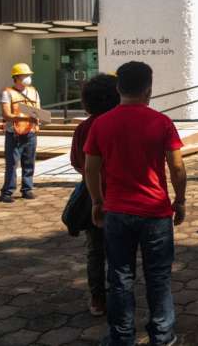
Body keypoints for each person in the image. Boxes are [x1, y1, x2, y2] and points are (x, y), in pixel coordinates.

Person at [84, 61, 186, 346]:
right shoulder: (162, 122)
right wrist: (180, 200)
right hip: (155, 212)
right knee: (158, 277)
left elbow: (91, 169)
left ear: (119, 88)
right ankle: (162, 336)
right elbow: (177, 168)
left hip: (116, 211)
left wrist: (96, 201)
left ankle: (121, 336)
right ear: (149, 89)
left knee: (119, 277)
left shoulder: (101, 124)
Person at [70, 74, 121, 317]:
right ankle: (120, 294)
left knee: (95, 251)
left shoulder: (82, 128)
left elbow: (77, 162)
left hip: (93, 197)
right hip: (120, 197)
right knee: (120, 250)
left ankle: (97, 298)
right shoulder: (118, 124)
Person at [0, 63, 41, 203]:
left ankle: (27, 189)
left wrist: (39, 118)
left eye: (29, 75)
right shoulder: (7, 93)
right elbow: (6, 115)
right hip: (14, 133)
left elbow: (38, 110)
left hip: (30, 132)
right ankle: (7, 192)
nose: (28, 78)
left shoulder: (33, 91)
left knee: (29, 162)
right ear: (16, 77)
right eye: (25, 75)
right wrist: (24, 118)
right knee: (12, 164)